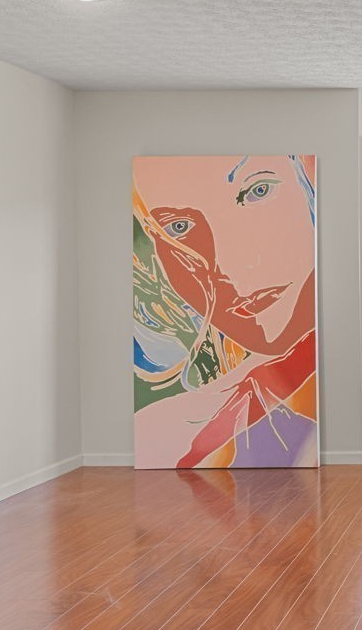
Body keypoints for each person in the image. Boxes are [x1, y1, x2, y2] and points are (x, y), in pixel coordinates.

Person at [132, 154, 317, 468]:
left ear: (308, 186)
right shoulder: (182, 430)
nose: (231, 266)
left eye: (258, 191)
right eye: (179, 227)